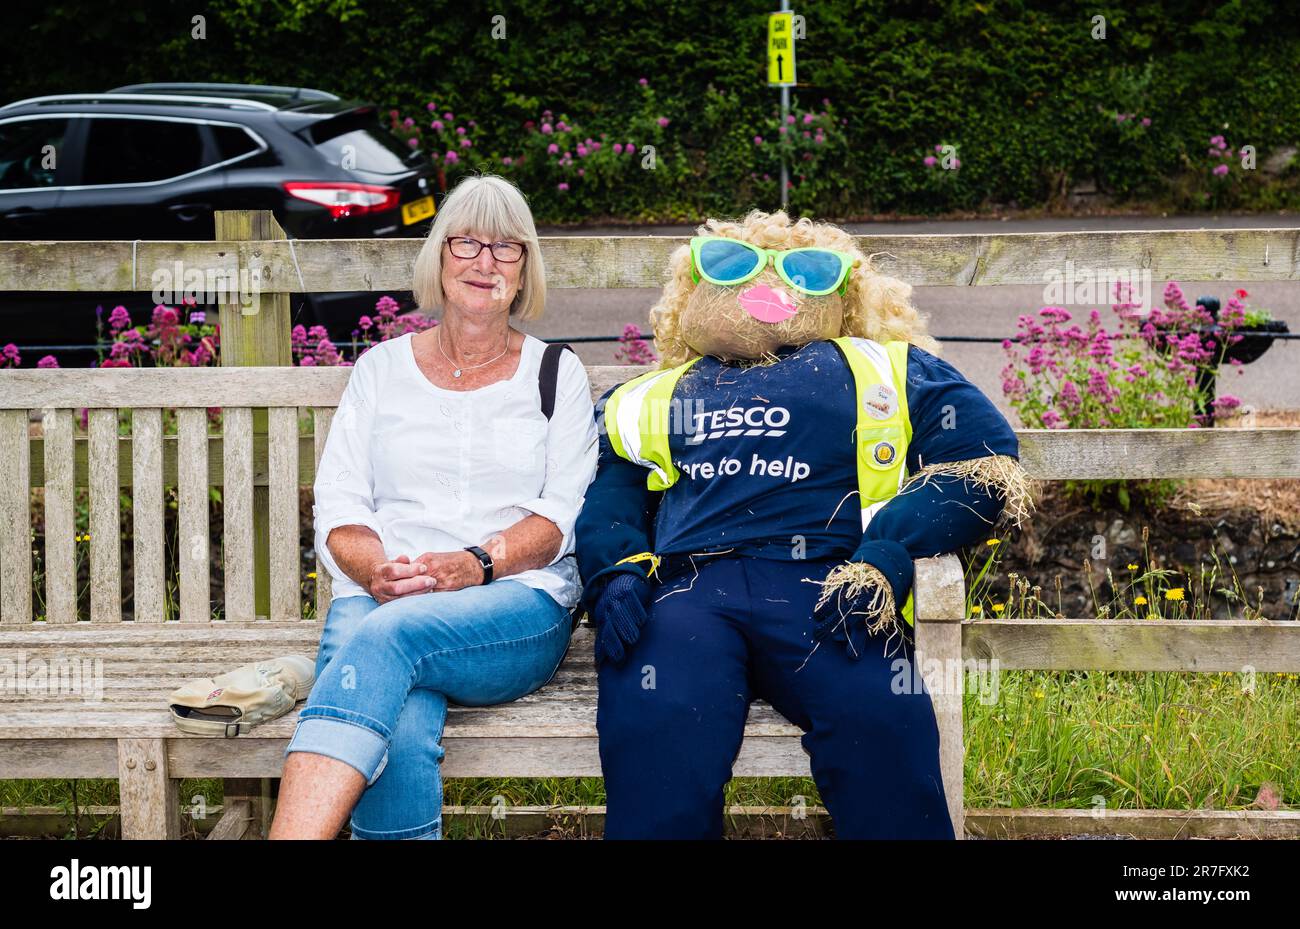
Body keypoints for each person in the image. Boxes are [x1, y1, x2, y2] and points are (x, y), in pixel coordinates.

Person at [268, 175, 598, 840]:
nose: (485, 262)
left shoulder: (556, 374)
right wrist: (376, 572)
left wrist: (476, 563)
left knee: (384, 641)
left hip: (511, 606)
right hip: (380, 593)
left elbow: (560, 518)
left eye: (507, 248)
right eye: (467, 242)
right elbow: (340, 505)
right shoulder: (380, 370)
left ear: (526, 268)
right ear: (439, 257)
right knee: (403, 718)